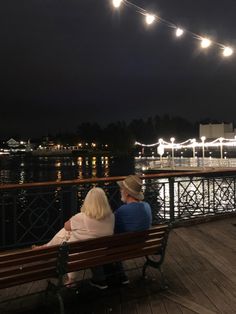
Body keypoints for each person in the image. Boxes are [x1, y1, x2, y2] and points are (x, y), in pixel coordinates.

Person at [34, 187, 114, 289]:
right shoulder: (111, 217)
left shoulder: (81, 217)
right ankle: (46, 248)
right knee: (72, 235)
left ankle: (47, 249)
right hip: (99, 253)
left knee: (66, 232)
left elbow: (66, 225)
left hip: (78, 257)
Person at [111, 175, 152, 284]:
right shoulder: (147, 206)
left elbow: (112, 228)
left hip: (127, 248)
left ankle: (111, 275)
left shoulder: (122, 211)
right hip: (143, 245)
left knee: (109, 241)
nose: (120, 191)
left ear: (127, 193)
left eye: (121, 189)